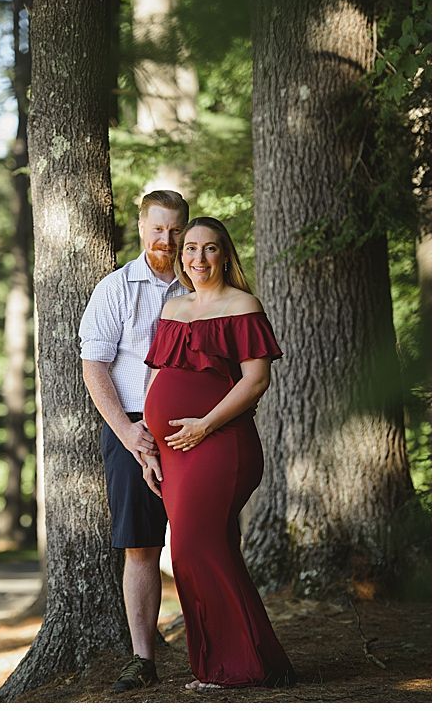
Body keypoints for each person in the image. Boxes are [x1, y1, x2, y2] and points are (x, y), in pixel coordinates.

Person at [141, 216, 296, 690]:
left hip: (221, 443)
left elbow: (256, 380)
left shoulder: (242, 304)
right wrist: (149, 445)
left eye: (209, 249)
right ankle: (245, 664)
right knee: (210, 549)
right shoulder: (173, 308)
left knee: (192, 549)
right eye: (190, 249)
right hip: (173, 452)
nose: (198, 258)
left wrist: (205, 424)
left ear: (225, 254)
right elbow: (156, 376)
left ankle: (238, 667)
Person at [79, 189, 189, 692]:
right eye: (157, 228)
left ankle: (211, 646)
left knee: (201, 539)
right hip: (133, 427)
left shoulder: (199, 288)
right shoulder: (116, 289)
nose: (165, 239)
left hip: (196, 426)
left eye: (174, 229)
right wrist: (127, 433)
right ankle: (143, 659)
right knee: (142, 547)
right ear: (142, 226)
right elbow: (94, 364)